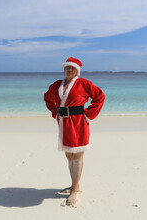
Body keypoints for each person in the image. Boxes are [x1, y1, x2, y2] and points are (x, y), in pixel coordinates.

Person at [44, 57, 105, 206]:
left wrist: (88, 114)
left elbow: (100, 96)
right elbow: (47, 98)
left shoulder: (84, 84)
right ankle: (74, 185)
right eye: (67, 67)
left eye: (73, 68)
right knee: (69, 155)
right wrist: (55, 113)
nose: (69, 70)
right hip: (64, 123)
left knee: (77, 155)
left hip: (79, 122)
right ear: (64, 69)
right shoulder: (57, 85)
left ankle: (74, 191)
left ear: (78, 70)